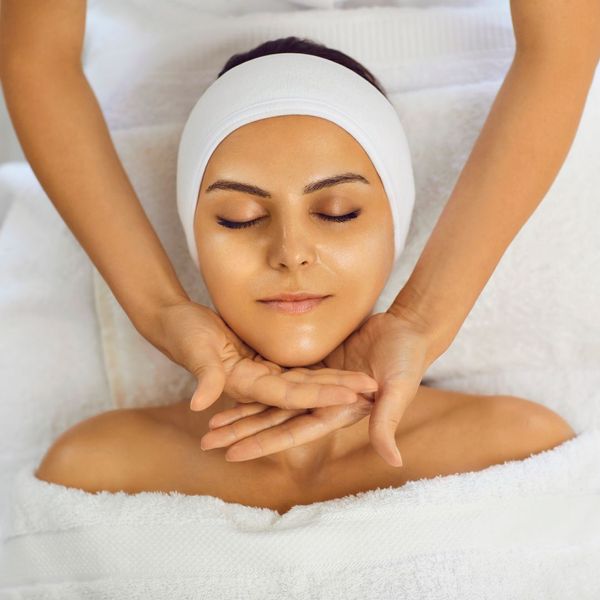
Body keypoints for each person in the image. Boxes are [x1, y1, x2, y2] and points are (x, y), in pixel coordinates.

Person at [1, 2, 598, 471]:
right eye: (237, 217)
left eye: (338, 212)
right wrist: (159, 310)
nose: (290, 254)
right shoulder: (98, 464)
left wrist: (422, 319)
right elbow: (34, 55)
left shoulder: (523, 446)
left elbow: (562, 44)